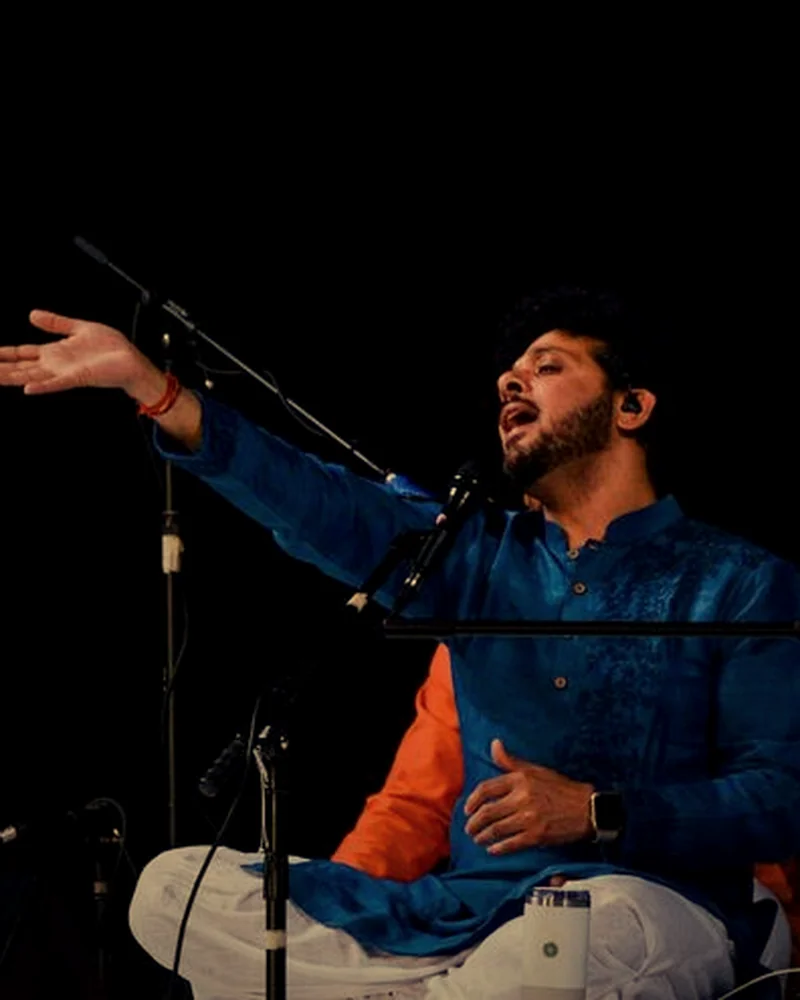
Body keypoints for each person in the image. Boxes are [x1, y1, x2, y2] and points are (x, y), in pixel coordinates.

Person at [1, 289, 798, 999]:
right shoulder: (473, 555)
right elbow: (319, 503)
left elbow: (781, 796)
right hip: (460, 916)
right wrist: (156, 390)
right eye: (509, 375)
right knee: (173, 890)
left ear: (631, 407)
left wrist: (598, 812)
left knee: (592, 935)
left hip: (650, 902)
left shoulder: (739, 581)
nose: (510, 382)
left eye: (548, 367)